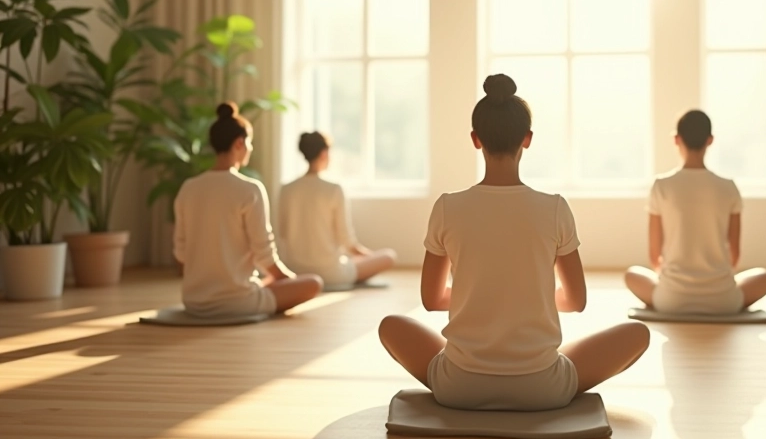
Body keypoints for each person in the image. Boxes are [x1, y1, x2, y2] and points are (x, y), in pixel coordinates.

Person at [378, 74, 650, 412]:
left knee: (391, 326)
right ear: (528, 139)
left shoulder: (448, 207)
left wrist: (478, 299)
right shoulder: (554, 208)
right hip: (543, 388)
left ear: (476, 140)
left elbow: (432, 300)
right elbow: (576, 300)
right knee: (637, 334)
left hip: (458, 386)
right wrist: (529, 300)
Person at [173, 102, 323, 317]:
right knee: (313, 283)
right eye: (250, 143)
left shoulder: (188, 188)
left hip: (193, 301)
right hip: (238, 302)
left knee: (267, 283)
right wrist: (292, 281)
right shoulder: (249, 189)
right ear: (239, 144)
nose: (251, 149)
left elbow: (181, 253)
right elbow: (265, 256)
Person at [624, 110, 766, 314]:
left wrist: (673, 280)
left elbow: (654, 255)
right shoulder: (728, 187)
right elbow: (734, 256)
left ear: (676, 139)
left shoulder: (661, 186)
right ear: (710, 140)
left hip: (670, 299)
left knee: (631, 275)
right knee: (765, 277)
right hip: (724, 301)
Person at [277, 131, 396, 286]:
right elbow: (347, 241)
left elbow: (282, 234)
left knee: (352, 260)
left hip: (295, 272)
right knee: (388, 256)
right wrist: (369, 257)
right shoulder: (333, 189)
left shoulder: (286, 189)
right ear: (324, 153)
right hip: (331, 273)